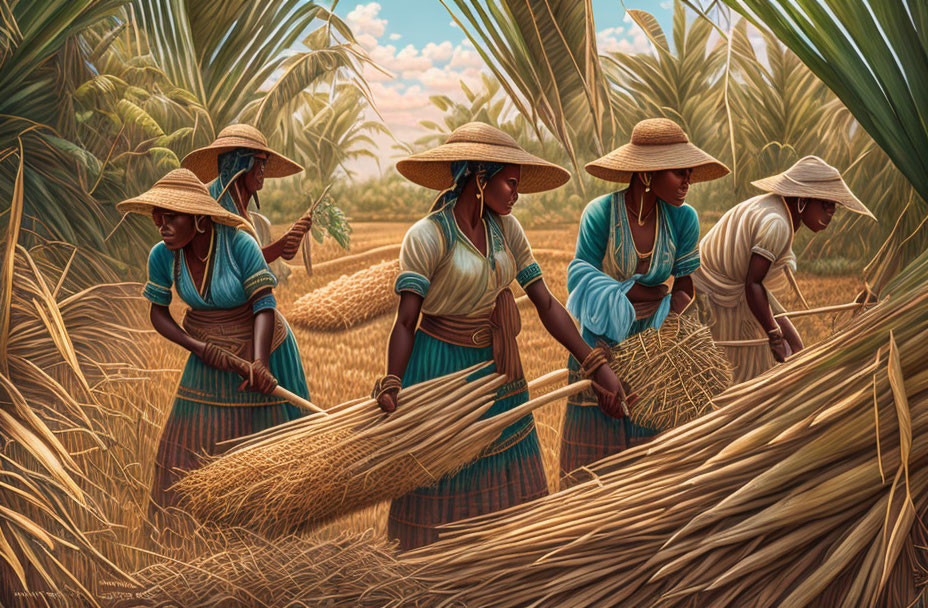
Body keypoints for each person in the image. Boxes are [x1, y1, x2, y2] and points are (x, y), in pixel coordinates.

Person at [373, 122, 627, 550]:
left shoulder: (507, 231)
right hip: (440, 370)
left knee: (508, 482)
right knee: (444, 477)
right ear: (479, 177)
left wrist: (593, 363)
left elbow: (546, 304)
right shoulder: (428, 236)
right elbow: (405, 321)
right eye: (511, 182)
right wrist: (394, 381)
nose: (516, 193)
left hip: (500, 371)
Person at [117, 169, 310, 511]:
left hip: (263, 344)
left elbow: (264, 305)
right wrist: (200, 348)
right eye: (158, 216)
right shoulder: (162, 255)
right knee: (187, 448)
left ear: (199, 218)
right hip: (206, 350)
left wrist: (259, 364)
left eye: (172, 216)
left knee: (271, 451)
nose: (162, 224)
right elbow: (158, 313)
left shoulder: (240, 244)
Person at [560, 118, 729, 486]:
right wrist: (645, 292)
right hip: (600, 338)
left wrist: (665, 336)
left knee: (653, 459)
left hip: (654, 341)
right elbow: (581, 280)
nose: (688, 182)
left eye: (690, 173)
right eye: (679, 173)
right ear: (647, 174)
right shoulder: (601, 213)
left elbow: (683, 286)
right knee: (596, 458)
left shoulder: (683, 219)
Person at [691, 155, 875, 383]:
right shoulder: (776, 223)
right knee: (751, 370)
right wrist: (774, 335)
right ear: (803, 200)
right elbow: (752, 284)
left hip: (740, 285)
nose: (831, 213)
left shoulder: (778, 210)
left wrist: (782, 335)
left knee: (797, 347)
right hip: (719, 289)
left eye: (833, 206)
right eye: (825, 204)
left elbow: (754, 284)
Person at [182, 124, 312, 277]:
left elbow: (271, 264)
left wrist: (292, 238)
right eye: (257, 162)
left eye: (264, 163)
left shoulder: (259, 225)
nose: (262, 170)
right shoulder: (213, 214)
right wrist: (284, 242)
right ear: (238, 166)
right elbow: (239, 263)